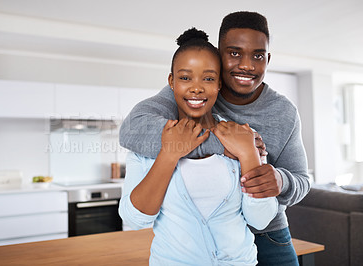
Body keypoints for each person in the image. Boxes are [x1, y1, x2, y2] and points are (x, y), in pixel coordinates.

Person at [119, 11, 310, 266]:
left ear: (267, 59)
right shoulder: (193, 90)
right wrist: (235, 145)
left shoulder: (283, 112)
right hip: (195, 246)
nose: (246, 65)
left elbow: (301, 181)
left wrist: (279, 180)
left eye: (258, 56)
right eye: (234, 53)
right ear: (219, 54)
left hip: (268, 234)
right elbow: (133, 130)